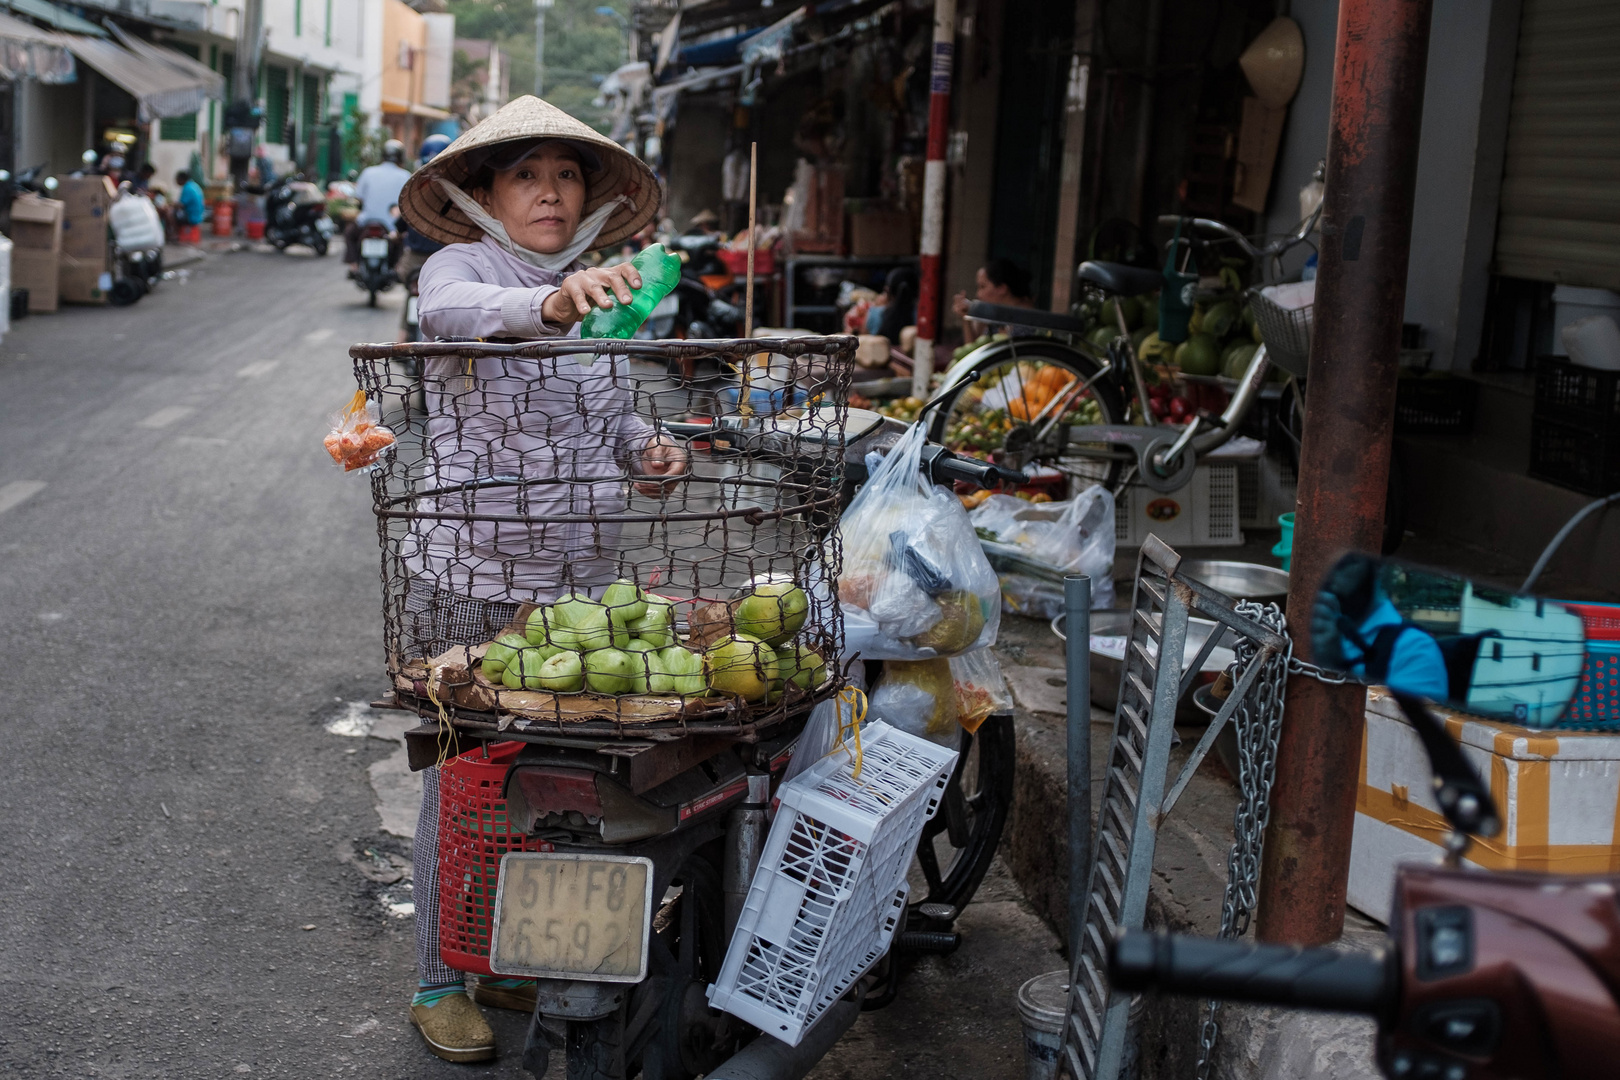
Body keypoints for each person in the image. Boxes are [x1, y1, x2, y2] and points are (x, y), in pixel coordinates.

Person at [392, 95, 684, 1065]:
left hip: (573, 582)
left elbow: (612, 403)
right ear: (484, 194)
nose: (550, 192)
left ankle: (508, 946)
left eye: (565, 174)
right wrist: (548, 304)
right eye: (527, 174)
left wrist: (650, 448)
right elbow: (451, 316)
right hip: (472, 573)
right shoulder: (461, 267)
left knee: (549, 783)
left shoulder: (600, 283)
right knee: (463, 779)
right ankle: (441, 976)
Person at [345, 138, 412, 270]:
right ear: (400, 158)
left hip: (367, 222)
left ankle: (354, 265)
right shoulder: (405, 176)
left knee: (349, 233)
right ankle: (398, 267)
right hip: (392, 226)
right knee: (403, 240)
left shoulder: (368, 172)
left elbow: (360, 198)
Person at [951, 257, 1034, 340]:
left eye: (982, 287)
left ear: (1002, 288)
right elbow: (974, 349)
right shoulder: (996, 318)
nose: (978, 294)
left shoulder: (1027, 322)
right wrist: (966, 317)